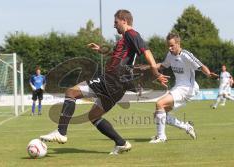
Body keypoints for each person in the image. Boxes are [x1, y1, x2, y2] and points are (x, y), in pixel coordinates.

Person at [40, 9, 169, 155]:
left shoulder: (132, 34)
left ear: (124, 21)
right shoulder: (124, 39)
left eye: (116, 22)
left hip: (112, 80)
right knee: (93, 116)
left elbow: (147, 52)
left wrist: (155, 72)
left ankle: (61, 132)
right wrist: (100, 49)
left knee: (71, 92)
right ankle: (121, 143)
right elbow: (116, 55)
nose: (114, 26)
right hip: (118, 88)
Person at [149, 33, 217, 144]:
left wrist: (209, 74)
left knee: (160, 104)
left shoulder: (186, 55)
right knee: (159, 114)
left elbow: (201, 66)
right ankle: (187, 127)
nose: (170, 48)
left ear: (178, 43)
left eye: (172, 46)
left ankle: (161, 137)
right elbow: (163, 65)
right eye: (168, 46)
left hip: (187, 88)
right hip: (178, 87)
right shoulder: (170, 55)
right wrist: (149, 66)